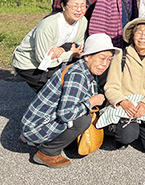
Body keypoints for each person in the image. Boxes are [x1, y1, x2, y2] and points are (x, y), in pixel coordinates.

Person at [20, 33, 120, 168]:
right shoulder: (77, 76)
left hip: (35, 122)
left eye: (109, 59)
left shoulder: (84, 68)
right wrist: (91, 102)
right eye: (101, 58)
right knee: (83, 120)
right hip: (35, 129)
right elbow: (65, 114)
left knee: (81, 115)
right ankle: (47, 152)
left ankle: (52, 141)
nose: (105, 64)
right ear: (87, 56)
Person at [104, 18, 145, 153]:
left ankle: (140, 128)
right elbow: (111, 86)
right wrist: (123, 102)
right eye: (139, 32)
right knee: (127, 136)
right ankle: (120, 129)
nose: (143, 36)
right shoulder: (120, 55)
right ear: (132, 36)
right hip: (126, 105)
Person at [13, 0, 87, 92]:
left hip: (56, 59)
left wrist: (62, 50)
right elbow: (43, 59)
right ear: (63, 6)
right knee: (51, 94)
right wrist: (70, 54)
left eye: (83, 5)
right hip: (30, 62)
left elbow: (78, 47)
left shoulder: (82, 21)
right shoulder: (47, 26)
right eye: (74, 5)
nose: (79, 10)